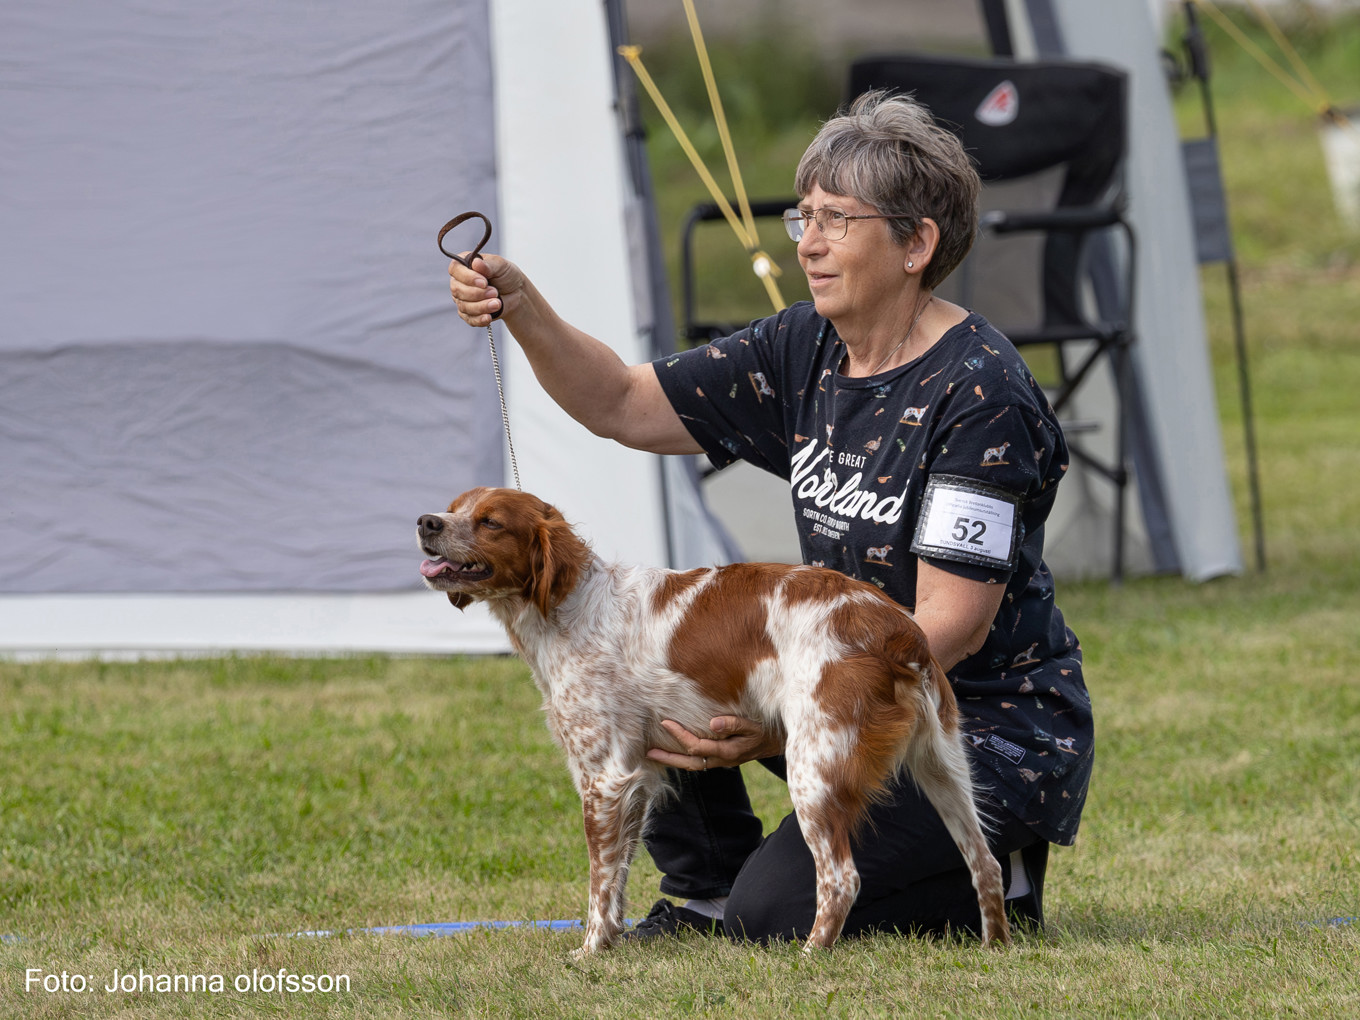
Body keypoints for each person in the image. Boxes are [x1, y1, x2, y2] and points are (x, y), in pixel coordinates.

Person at [448, 90, 1093, 944]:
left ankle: (999, 873)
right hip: (826, 687)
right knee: (651, 658)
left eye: (836, 220)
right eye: (805, 218)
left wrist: (777, 713)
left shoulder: (978, 393)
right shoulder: (806, 346)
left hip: (966, 718)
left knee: (778, 915)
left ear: (916, 244)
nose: (809, 245)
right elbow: (619, 402)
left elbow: (954, 623)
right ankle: (706, 884)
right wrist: (522, 304)